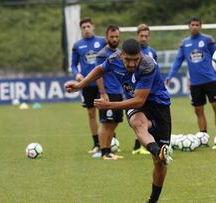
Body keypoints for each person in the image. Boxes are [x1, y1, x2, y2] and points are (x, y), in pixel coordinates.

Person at [65, 38, 173, 203]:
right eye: (128, 59)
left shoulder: (148, 65)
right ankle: (156, 150)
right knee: (138, 123)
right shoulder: (114, 59)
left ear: (140, 56)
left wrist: (109, 105)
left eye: (135, 59)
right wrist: (81, 85)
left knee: (159, 164)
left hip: (159, 106)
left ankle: (153, 199)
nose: (131, 64)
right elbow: (100, 70)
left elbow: (139, 100)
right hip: (136, 105)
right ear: (121, 55)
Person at [165, 16, 216, 137]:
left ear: (200, 26)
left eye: (197, 25)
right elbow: (177, 61)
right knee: (198, 110)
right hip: (195, 83)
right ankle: (203, 137)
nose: (195, 27)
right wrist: (170, 76)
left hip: (210, 80)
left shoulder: (208, 40)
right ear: (189, 26)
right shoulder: (185, 43)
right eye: (193, 25)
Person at [71, 17, 106, 154]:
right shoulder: (77, 45)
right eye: (83, 27)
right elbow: (73, 64)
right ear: (81, 29)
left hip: (102, 83)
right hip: (87, 84)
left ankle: (110, 140)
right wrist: (77, 74)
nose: (86, 29)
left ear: (93, 27)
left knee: (105, 112)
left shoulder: (102, 41)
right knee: (91, 113)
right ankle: (96, 143)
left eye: (88, 26)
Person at [94, 24, 124, 160]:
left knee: (114, 123)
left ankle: (108, 150)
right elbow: (98, 74)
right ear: (107, 37)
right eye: (112, 37)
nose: (114, 39)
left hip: (118, 93)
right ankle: (103, 152)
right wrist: (103, 93)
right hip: (108, 93)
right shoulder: (102, 54)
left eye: (117, 36)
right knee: (106, 122)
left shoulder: (119, 53)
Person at [132, 23, 158, 155]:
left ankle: (138, 145)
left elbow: (156, 71)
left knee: (146, 119)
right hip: (137, 90)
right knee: (140, 118)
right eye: (141, 35)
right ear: (137, 35)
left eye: (146, 36)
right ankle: (142, 146)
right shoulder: (132, 52)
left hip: (150, 91)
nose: (143, 38)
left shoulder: (152, 52)